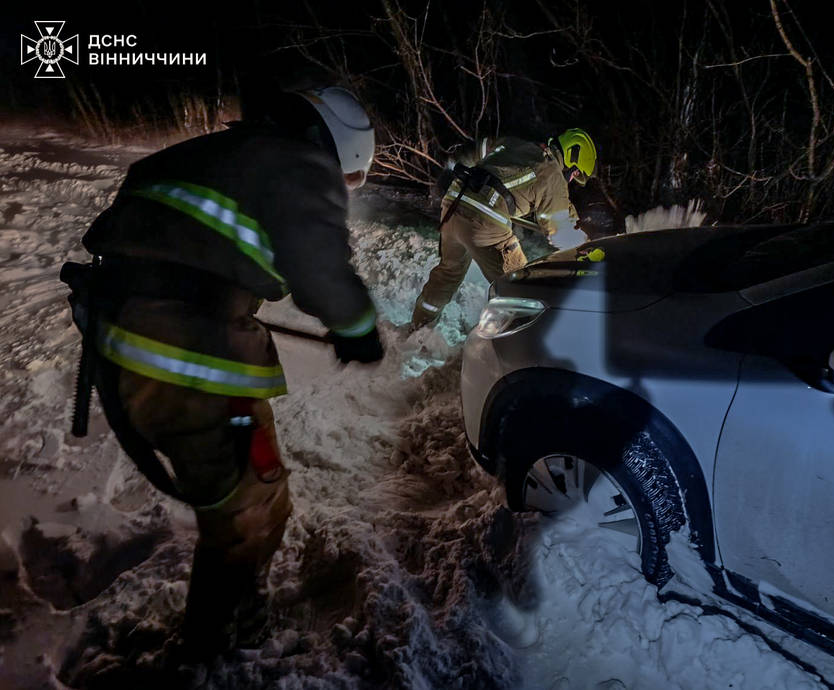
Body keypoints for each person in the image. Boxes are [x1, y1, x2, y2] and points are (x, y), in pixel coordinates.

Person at [61, 84, 383, 657]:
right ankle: (217, 645)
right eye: (348, 177)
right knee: (251, 507)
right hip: (186, 358)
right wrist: (357, 329)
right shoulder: (299, 162)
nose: (343, 188)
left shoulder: (206, 155)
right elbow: (318, 266)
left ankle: (227, 621)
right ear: (338, 148)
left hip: (119, 341)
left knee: (238, 494)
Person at [411, 128, 597, 329]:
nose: (572, 179)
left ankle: (418, 329)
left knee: (448, 273)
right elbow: (559, 231)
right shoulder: (552, 173)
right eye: (576, 173)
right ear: (572, 157)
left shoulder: (514, 143)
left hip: (453, 204)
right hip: (483, 218)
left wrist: (450, 169)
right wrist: (583, 251)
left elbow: (478, 147)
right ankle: (500, 349)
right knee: (523, 292)